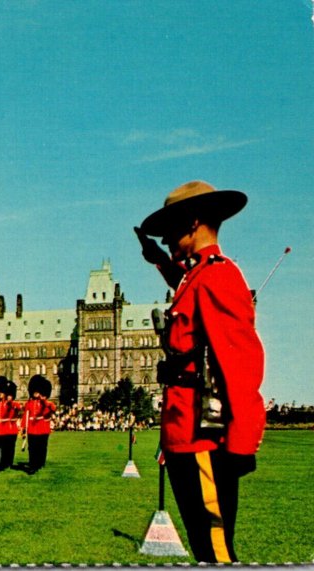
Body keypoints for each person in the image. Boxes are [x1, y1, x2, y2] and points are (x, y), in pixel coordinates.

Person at [136, 180, 265, 563]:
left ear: (193, 224)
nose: (167, 237)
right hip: (183, 434)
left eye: (171, 229)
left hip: (202, 440)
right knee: (204, 546)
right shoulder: (197, 276)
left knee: (216, 551)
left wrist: (241, 444)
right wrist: (158, 258)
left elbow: (241, 365)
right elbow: (185, 282)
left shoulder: (219, 277)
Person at [21, 375, 56, 474]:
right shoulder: (29, 403)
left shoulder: (45, 403)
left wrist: (44, 400)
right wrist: (23, 427)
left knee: (41, 447)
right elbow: (26, 416)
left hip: (42, 427)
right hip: (32, 427)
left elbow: (53, 408)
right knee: (32, 447)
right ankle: (33, 465)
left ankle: (40, 462)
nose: (35, 392)